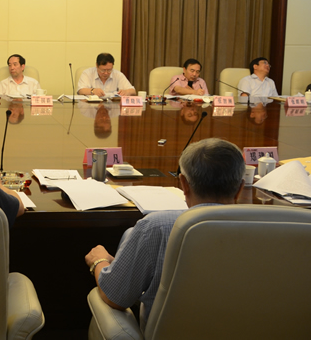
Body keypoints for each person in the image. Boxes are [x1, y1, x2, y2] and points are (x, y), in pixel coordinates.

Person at [84, 138, 245, 330]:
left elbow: (115, 298)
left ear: (184, 184)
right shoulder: (270, 230)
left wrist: (99, 261)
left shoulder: (157, 227)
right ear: (240, 188)